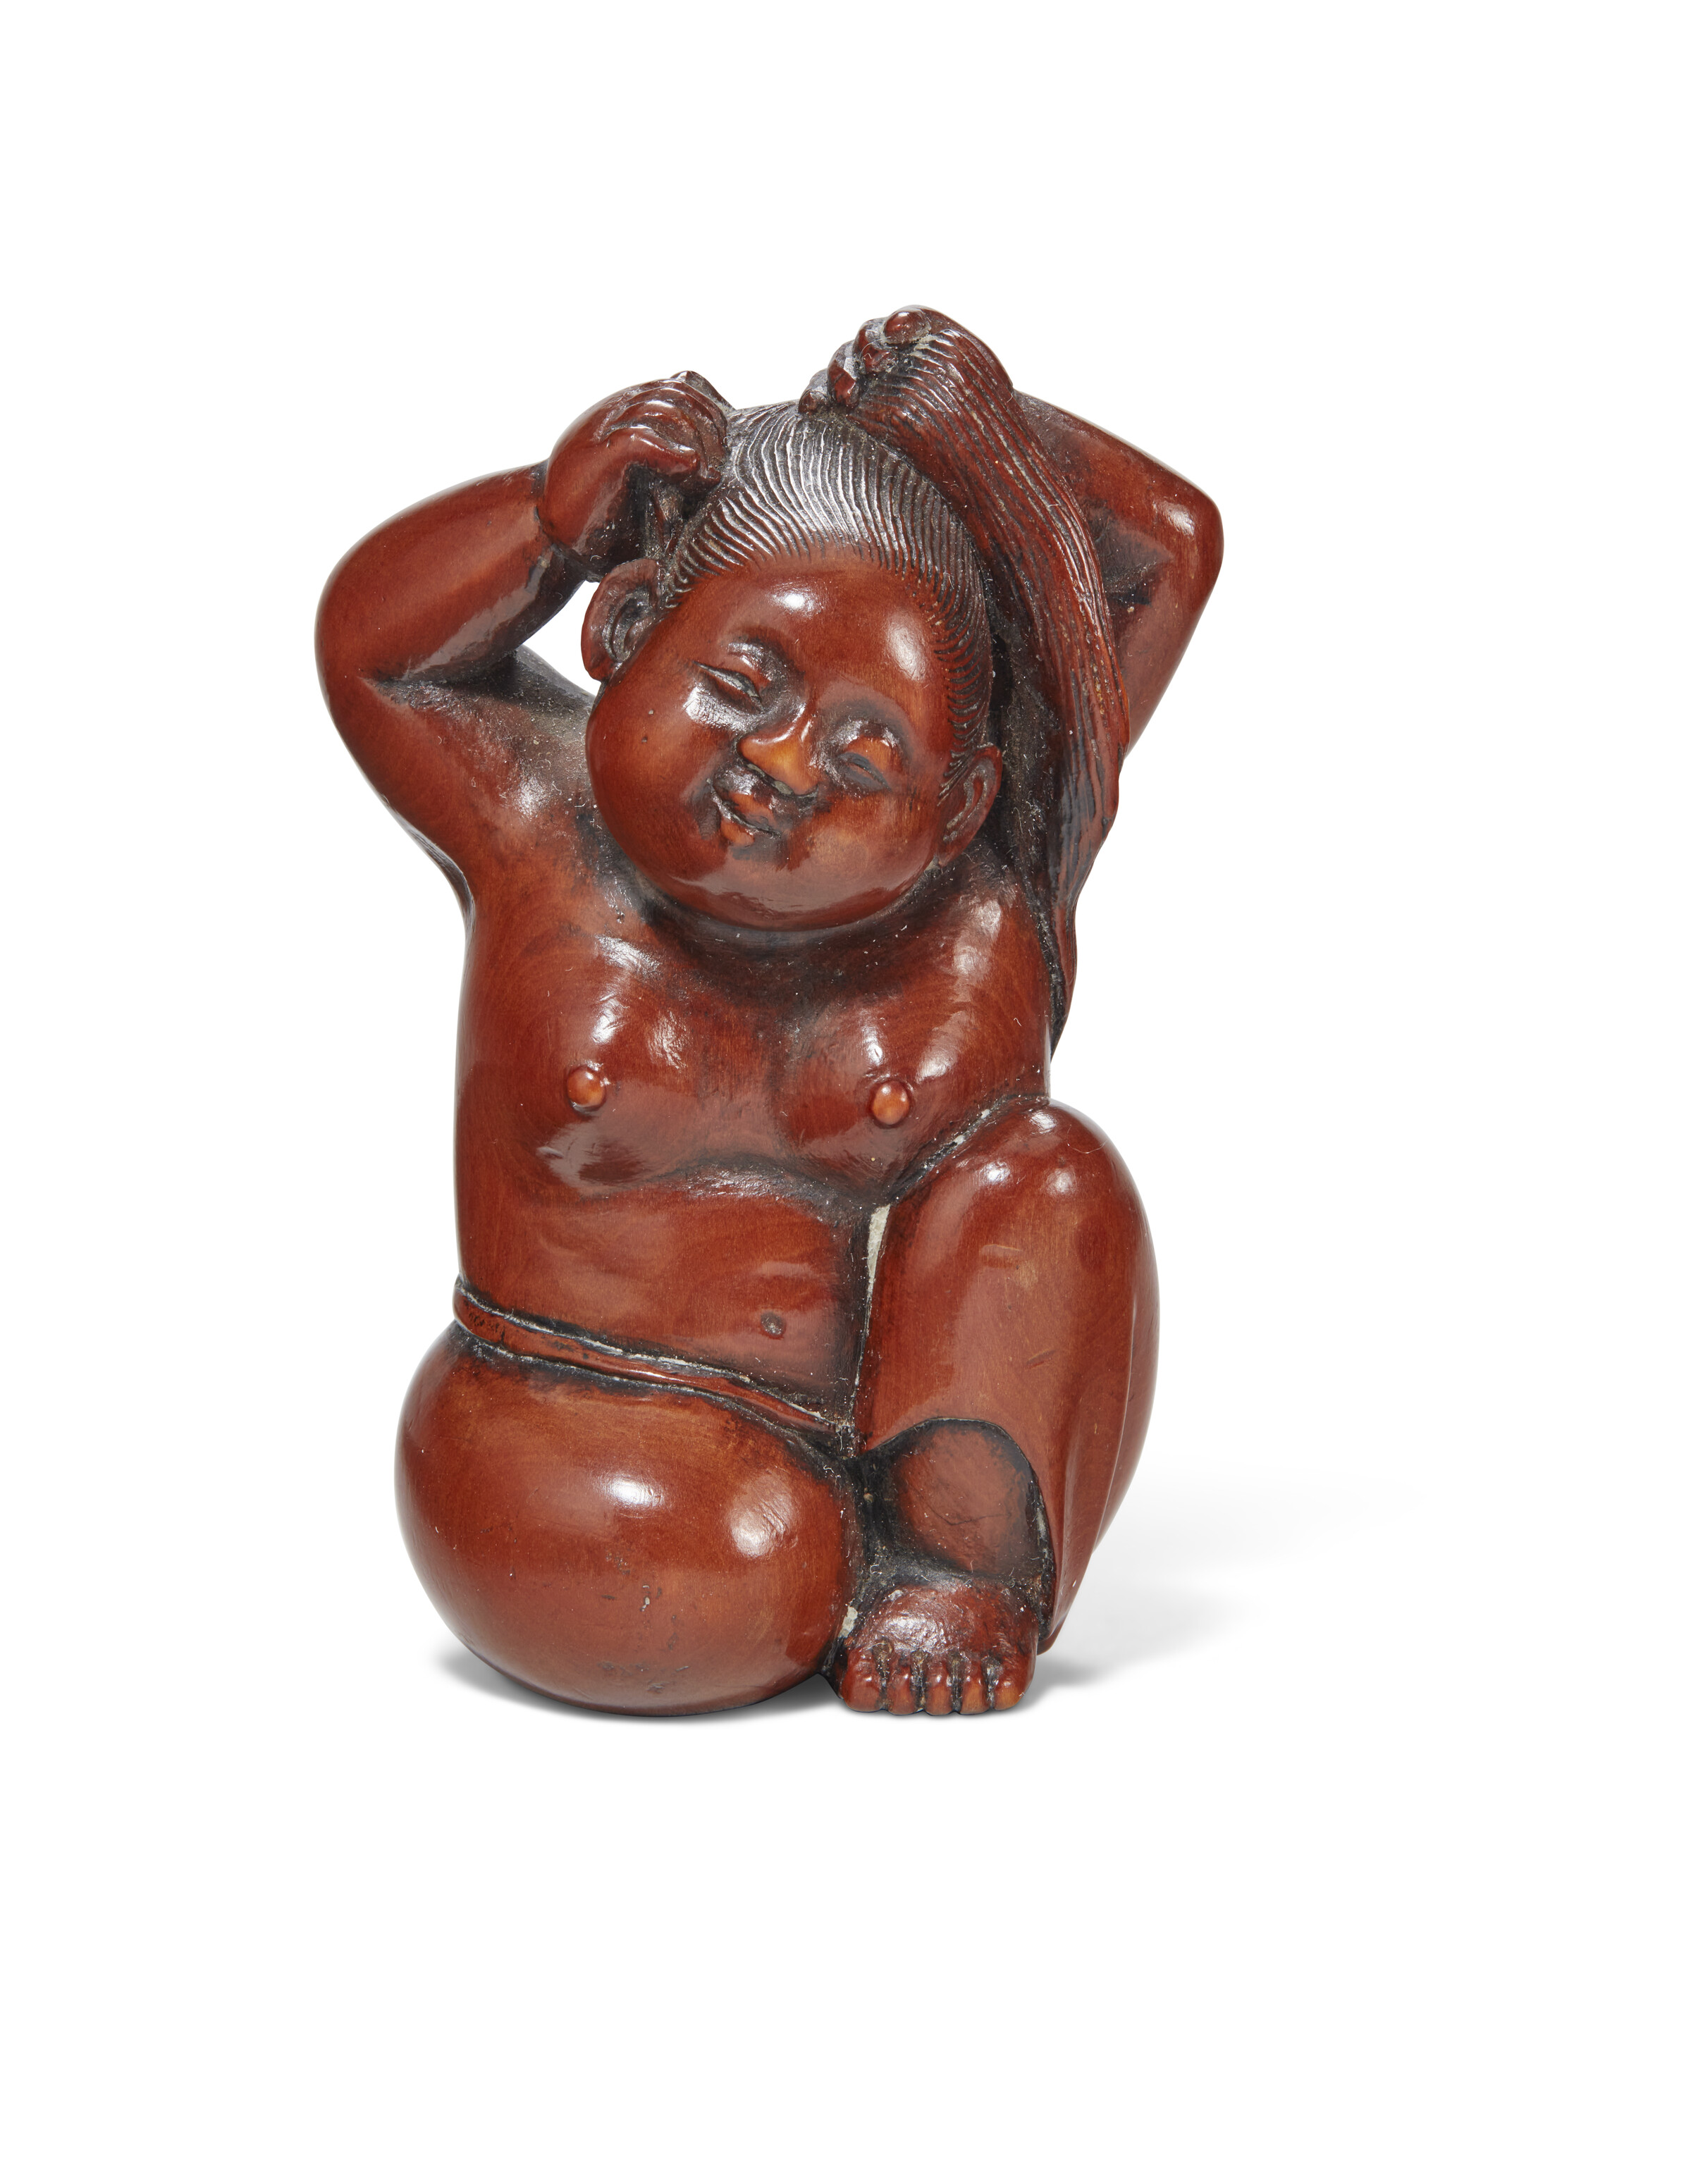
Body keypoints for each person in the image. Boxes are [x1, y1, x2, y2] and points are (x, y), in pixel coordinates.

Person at [317, 308, 1222, 1715]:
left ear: (962, 804)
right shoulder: (536, 825)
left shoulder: (984, 903)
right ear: (624, 632)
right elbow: (371, 654)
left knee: (1047, 1179)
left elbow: (1171, 546)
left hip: (858, 1485)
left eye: (869, 751)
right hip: (541, 1455)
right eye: (744, 684)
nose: (787, 766)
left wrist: (962, 423)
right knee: (704, 1545)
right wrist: (548, 520)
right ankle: (836, 1573)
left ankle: (956, 1573)